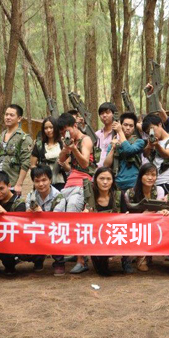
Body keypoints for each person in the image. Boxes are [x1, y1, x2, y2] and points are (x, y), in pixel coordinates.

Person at [57, 112, 96, 274]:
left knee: (75, 215)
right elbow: (60, 160)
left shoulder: (85, 140)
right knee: (58, 211)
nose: (65, 134)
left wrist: (74, 149)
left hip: (83, 183)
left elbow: (85, 163)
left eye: (67, 131)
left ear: (75, 126)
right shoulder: (69, 141)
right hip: (69, 184)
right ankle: (72, 252)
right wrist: (66, 149)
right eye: (62, 133)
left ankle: (82, 259)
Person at [83, 167, 133, 276]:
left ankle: (126, 260)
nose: (105, 182)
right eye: (101, 178)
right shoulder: (89, 197)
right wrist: (85, 214)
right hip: (97, 236)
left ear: (113, 181)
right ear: (96, 180)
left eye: (108, 179)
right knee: (102, 271)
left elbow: (126, 215)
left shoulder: (118, 195)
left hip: (116, 234)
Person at [24, 165, 67, 275]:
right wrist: (29, 212)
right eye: (37, 181)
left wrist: (42, 214)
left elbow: (56, 219)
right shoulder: (30, 196)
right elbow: (27, 218)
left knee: (57, 232)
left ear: (50, 180)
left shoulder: (59, 197)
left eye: (44, 180)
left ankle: (59, 262)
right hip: (37, 229)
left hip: (54, 229)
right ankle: (38, 259)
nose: (41, 184)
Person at [125, 163, 166, 272]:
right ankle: (139, 257)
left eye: (153, 175)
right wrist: (142, 216)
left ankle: (145, 255)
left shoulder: (159, 190)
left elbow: (159, 209)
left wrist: (163, 211)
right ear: (140, 176)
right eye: (147, 174)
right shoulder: (130, 193)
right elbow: (127, 213)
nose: (150, 178)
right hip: (135, 224)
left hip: (154, 223)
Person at [0, 104, 33, 196]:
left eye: (11, 115)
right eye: (6, 114)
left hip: (12, 184)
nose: (8, 117)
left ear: (19, 118)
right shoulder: (1, 136)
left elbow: (26, 162)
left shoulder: (24, 138)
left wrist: (19, 184)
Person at [103, 111, 145, 190]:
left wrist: (120, 131)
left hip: (133, 183)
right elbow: (106, 165)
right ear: (121, 125)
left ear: (134, 128)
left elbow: (128, 150)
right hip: (116, 184)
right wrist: (113, 148)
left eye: (131, 126)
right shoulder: (114, 142)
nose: (128, 128)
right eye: (125, 125)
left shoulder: (139, 142)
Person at [142, 114, 169, 194]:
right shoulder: (151, 141)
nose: (151, 133)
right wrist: (149, 146)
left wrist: (157, 145)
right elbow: (145, 154)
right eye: (148, 132)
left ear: (160, 124)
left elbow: (166, 154)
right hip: (153, 182)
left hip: (166, 181)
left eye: (152, 129)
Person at [31, 117, 66, 191]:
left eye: (51, 127)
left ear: (56, 128)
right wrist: (39, 175)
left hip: (60, 181)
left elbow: (68, 167)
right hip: (43, 183)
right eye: (46, 128)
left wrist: (64, 165)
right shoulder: (39, 145)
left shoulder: (63, 144)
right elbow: (32, 165)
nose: (48, 130)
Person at [95, 102, 118, 169]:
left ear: (114, 114)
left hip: (112, 169)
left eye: (107, 112)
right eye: (102, 113)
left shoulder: (118, 133)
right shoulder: (97, 134)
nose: (104, 115)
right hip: (97, 170)